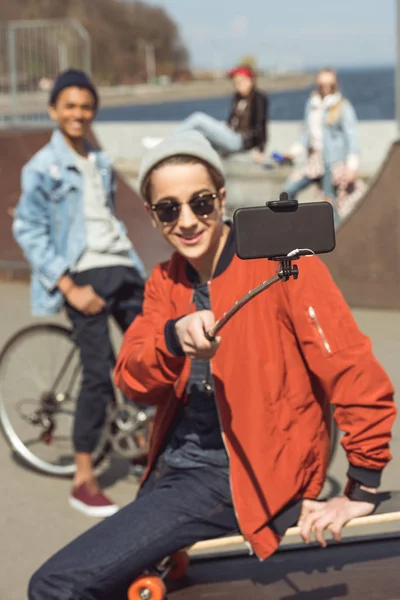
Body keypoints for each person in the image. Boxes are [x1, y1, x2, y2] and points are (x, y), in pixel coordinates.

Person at [28, 131, 396, 600]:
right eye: (169, 209)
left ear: (222, 199)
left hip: (229, 475)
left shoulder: (283, 267)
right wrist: (171, 338)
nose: (187, 221)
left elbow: (353, 370)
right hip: (168, 468)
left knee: (54, 586)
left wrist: (361, 489)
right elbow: (131, 378)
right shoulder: (164, 280)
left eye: (200, 203)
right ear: (152, 216)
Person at [13, 69, 147, 517]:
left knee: (152, 353)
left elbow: (104, 216)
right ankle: (84, 477)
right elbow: (27, 229)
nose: (78, 113)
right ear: (53, 110)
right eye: (69, 105)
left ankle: (143, 443)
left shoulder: (100, 159)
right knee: (99, 373)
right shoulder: (41, 168)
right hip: (81, 274)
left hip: (123, 266)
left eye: (86, 106)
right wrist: (68, 285)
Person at [282, 68, 362, 225]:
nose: (325, 88)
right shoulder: (312, 105)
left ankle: (337, 240)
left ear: (335, 85)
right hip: (314, 161)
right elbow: (305, 135)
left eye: (329, 84)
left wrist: (352, 167)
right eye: (321, 84)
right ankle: (291, 226)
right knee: (288, 189)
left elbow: (352, 138)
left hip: (333, 163)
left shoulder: (343, 107)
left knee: (329, 203)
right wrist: (291, 153)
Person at [143, 65, 268, 162]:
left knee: (198, 119)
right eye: (236, 82)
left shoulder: (259, 99)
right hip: (230, 136)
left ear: (250, 81)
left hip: (240, 140)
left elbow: (260, 125)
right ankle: (173, 151)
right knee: (199, 135)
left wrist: (261, 151)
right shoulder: (238, 98)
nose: (238, 85)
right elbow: (232, 122)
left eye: (241, 81)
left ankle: (166, 141)